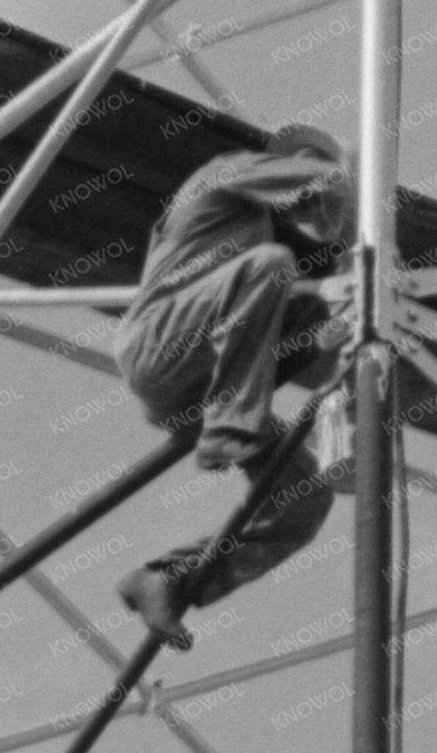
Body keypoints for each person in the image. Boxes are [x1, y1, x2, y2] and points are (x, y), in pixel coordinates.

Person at [112, 123, 351, 653]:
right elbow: (323, 180)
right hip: (159, 346)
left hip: (205, 387)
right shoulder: (225, 174)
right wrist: (356, 204)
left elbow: (283, 354)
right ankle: (230, 425)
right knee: (273, 265)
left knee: (305, 497)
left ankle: (167, 578)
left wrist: (335, 337)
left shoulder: (253, 240)